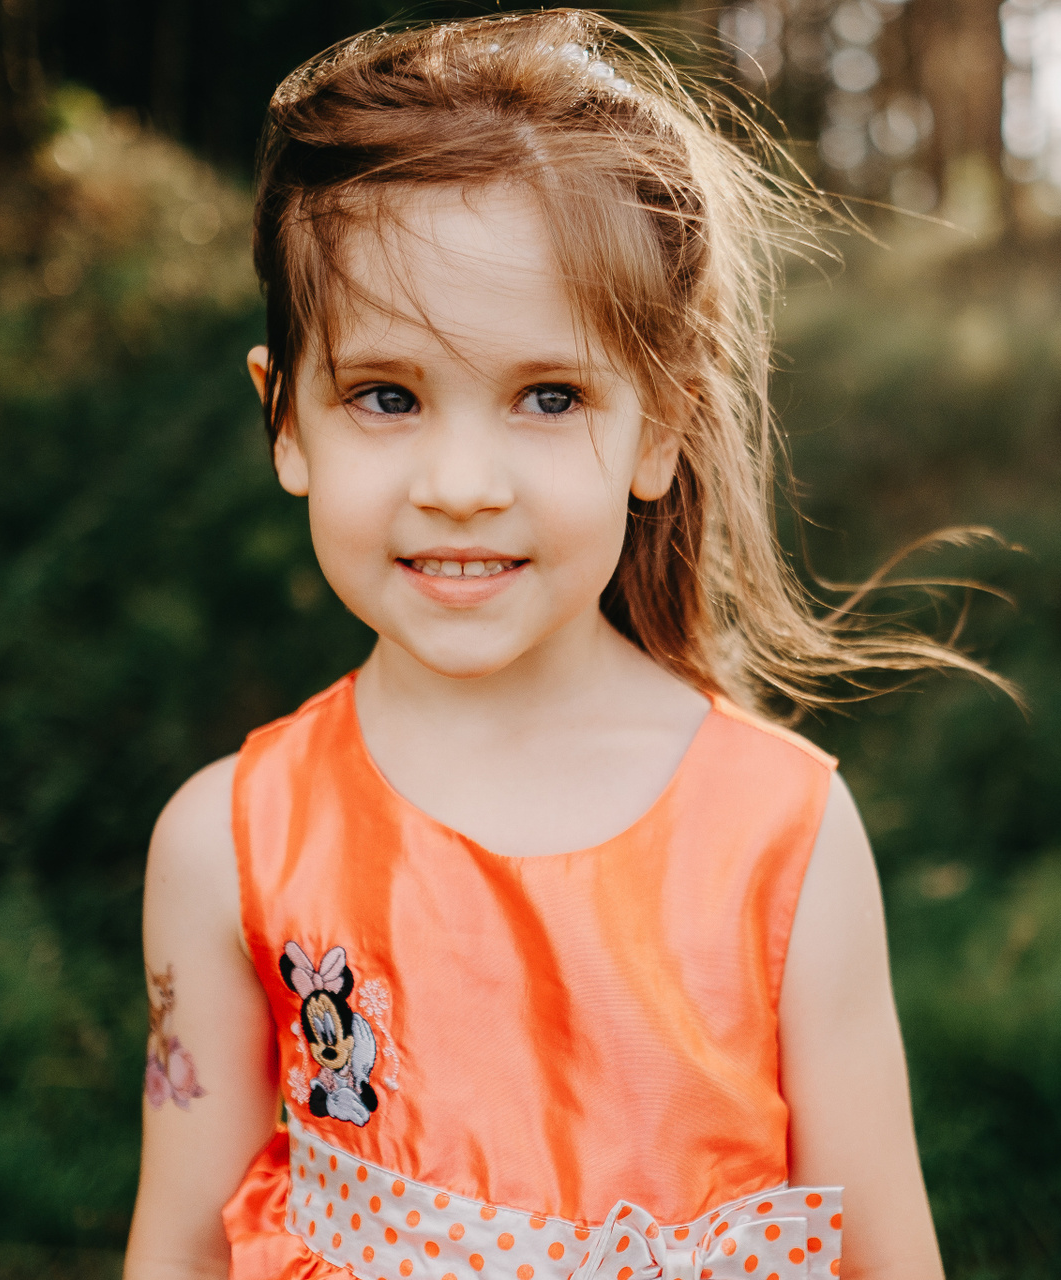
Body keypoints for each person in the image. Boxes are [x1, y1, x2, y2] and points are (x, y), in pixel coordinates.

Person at [124, 12, 1007, 1279]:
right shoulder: (229, 840)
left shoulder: (782, 837)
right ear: (287, 420)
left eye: (550, 396)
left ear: (663, 427)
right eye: (387, 395)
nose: (462, 483)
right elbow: (178, 1245)